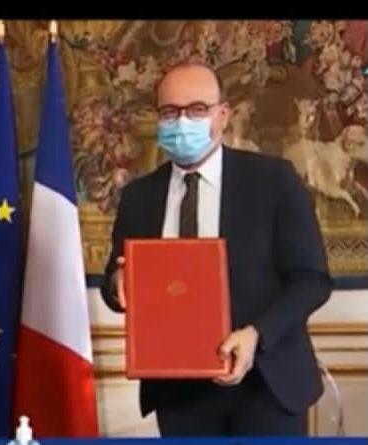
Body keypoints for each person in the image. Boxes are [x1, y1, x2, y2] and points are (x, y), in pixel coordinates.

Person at [101, 61, 332, 436]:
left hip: (267, 382)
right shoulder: (139, 197)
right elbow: (115, 283)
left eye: (197, 109)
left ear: (223, 115)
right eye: (170, 112)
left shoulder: (273, 181)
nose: (182, 122)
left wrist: (256, 334)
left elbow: (312, 280)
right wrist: (118, 282)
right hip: (179, 391)